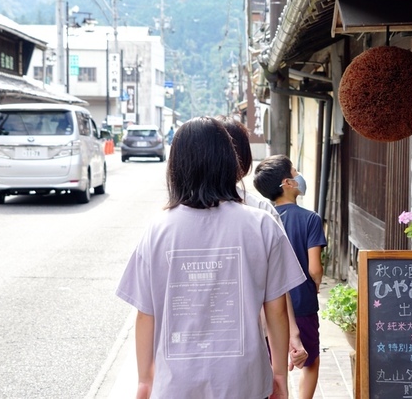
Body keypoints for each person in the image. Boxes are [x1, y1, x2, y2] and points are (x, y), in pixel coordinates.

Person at [116, 117, 306, 399]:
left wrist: (145, 380)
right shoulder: (262, 224)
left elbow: (146, 314)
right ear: (228, 161)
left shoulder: (157, 230)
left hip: (176, 384)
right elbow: (276, 309)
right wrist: (279, 375)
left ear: (176, 167)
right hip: (245, 381)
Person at [218, 116, 308, 371]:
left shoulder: (171, 219)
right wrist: (292, 335)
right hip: (252, 339)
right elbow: (278, 286)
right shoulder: (261, 212)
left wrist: (292, 334)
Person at [253, 155, 327, 399]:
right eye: (295, 173)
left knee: (274, 363)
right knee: (310, 360)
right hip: (303, 302)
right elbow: (314, 268)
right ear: (287, 183)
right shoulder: (310, 219)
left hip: (270, 304)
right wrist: (315, 285)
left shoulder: (262, 220)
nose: (299, 177)